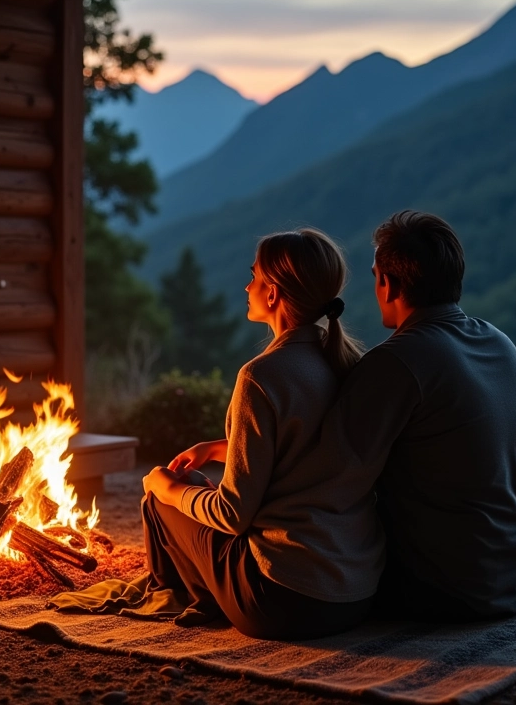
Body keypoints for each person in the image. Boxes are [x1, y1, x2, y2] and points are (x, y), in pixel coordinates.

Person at [140, 227, 385, 640]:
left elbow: (232, 516)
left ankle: (181, 599)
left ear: (272, 294)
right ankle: (199, 598)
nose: (246, 285)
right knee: (192, 482)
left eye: (253, 276)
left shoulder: (261, 376)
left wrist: (166, 489)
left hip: (281, 601)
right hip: (356, 595)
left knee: (165, 494)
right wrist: (221, 448)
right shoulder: (347, 362)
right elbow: (308, 451)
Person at [321, 210, 516, 622]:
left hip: (443, 591)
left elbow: (329, 477)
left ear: (386, 283)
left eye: (375, 276)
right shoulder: (501, 343)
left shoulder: (396, 361)